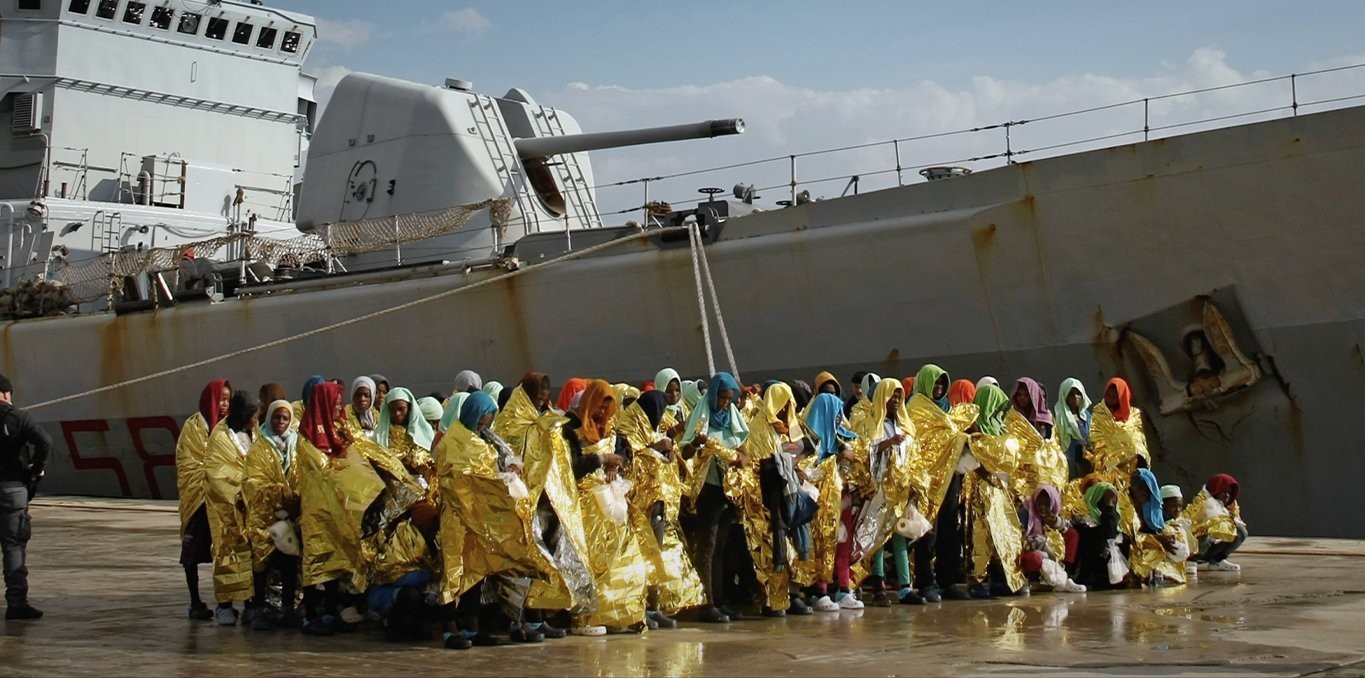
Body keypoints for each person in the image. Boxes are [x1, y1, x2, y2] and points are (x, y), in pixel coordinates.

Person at [681, 372, 750, 624]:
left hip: (728, 489)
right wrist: (697, 443)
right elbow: (685, 452)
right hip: (708, 488)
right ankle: (706, 603)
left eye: (728, 399)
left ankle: (719, 599)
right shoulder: (701, 416)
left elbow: (744, 451)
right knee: (707, 546)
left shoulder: (731, 417)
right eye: (721, 398)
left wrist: (740, 459)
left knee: (721, 545)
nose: (724, 403)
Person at [242, 399, 302, 631]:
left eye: (285, 418)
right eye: (276, 417)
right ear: (269, 418)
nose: (281, 422)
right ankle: (257, 608)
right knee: (261, 562)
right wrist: (280, 494)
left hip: (289, 515)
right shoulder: (259, 447)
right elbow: (252, 482)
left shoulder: (296, 444)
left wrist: (295, 500)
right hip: (265, 516)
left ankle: (287, 607)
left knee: (289, 561)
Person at [202, 390, 259, 625]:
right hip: (227, 510)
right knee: (227, 556)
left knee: (251, 559)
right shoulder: (220, 438)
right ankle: (225, 605)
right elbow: (216, 474)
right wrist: (241, 492)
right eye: (253, 415)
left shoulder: (253, 433)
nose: (256, 420)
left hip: (251, 509)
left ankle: (251, 604)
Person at [175, 379, 230, 620]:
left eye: (228, 400)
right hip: (199, 499)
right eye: (222, 399)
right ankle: (195, 600)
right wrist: (213, 477)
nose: (225, 404)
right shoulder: (193, 427)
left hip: (223, 498)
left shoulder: (228, 426)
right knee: (192, 553)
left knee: (227, 550)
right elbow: (188, 462)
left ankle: (226, 601)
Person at [0, 373, 51, 620]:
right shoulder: (19, 418)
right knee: (13, 547)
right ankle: (16, 603)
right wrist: (36, 469)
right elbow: (45, 442)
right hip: (12, 489)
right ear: (5, 394)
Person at [1184, 473, 1248, 572]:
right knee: (1204, 533)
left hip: (1212, 545)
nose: (1227, 495)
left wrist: (1232, 517)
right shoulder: (1203, 502)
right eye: (1224, 492)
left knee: (1241, 531)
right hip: (1196, 545)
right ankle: (1191, 560)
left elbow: (1235, 524)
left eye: (1229, 493)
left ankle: (1216, 561)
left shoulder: (1230, 505)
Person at [1053, 378, 1092, 477]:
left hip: (1085, 463)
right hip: (1068, 463)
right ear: (1065, 396)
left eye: (1078, 393)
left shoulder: (1087, 416)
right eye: (1071, 394)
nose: (1075, 397)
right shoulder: (1059, 417)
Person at [344, 376, 378, 441]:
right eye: (358, 395)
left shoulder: (378, 417)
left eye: (366, 395)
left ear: (372, 397)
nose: (362, 399)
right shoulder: (345, 415)